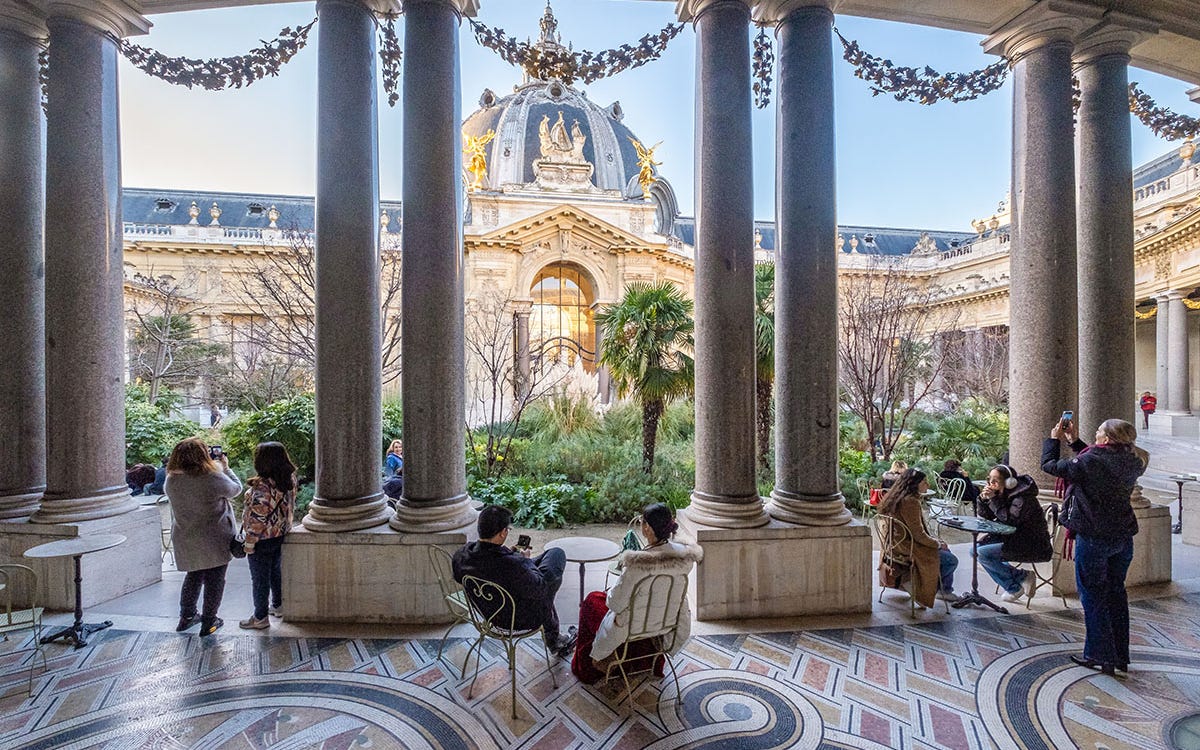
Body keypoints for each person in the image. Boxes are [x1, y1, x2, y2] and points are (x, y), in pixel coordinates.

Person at [1042, 417, 1144, 677]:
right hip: (1122, 538)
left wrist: (1054, 439)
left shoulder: (1091, 462)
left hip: (1095, 537)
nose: (1096, 434)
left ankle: (1100, 655)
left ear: (1106, 439)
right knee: (1116, 595)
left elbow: (1050, 466)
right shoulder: (1132, 461)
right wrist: (1074, 442)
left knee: (1093, 596)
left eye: (1099, 431)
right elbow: (1097, 463)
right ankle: (1120, 655)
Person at [571, 503, 702, 684]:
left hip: (633, 626)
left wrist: (610, 592)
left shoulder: (638, 564)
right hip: (666, 621)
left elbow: (615, 604)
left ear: (647, 528)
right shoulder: (684, 558)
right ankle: (642, 661)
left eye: (642, 521)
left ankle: (589, 665)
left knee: (592, 601)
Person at [452, 505, 577, 657]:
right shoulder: (514, 566)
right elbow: (540, 589)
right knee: (556, 556)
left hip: (488, 610)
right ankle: (554, 639)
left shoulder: (462, 555)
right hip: (515, 618)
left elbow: (468, 576)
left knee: (546, 559)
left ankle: (554, 637)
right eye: (508, 529)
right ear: (503, 532)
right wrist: (526, 562)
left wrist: (511, 555)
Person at [164, 438, 242, 637]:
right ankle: (209, 619)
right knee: (215, 578)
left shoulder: (171, 480)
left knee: (194, 575)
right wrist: (225, 468)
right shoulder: (211, 478)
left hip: (186, 536)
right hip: (214, 537)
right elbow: (235, 489)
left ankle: (187, 616)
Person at [877, 468, 959, 607]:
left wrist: (937, 542)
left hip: (894, 544)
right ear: (914, 484)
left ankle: (942, 589)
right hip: (906, 547)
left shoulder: (895, 497)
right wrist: (937, 544)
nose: (928, 485)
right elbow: (918, 534)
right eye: (924, 482)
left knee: (946, 552)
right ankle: (926, 587)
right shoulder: (910, 502)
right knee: (951, 560)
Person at [238, 442, 297, 630]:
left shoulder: (262, 487)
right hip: (279, 533)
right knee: (275, 572)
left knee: (260, 579)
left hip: (262, 538)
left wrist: (249, 543)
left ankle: (260, 617)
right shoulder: (288, 479)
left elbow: (257, 519)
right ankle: (278, 605)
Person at [975, 464, 1052, 602]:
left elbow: (1010, 521)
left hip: (1031, 544)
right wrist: (983, 500)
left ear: (1010, 482)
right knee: (974, 550)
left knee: (983, 553)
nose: (991, 483)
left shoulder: (1023, 498)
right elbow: (987, 516)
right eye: (989, 479)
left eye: (996, 480)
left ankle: (1013, 587)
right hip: (1012, 539)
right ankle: (1021, 576)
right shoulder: (1002, 494)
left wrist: (993, 500)